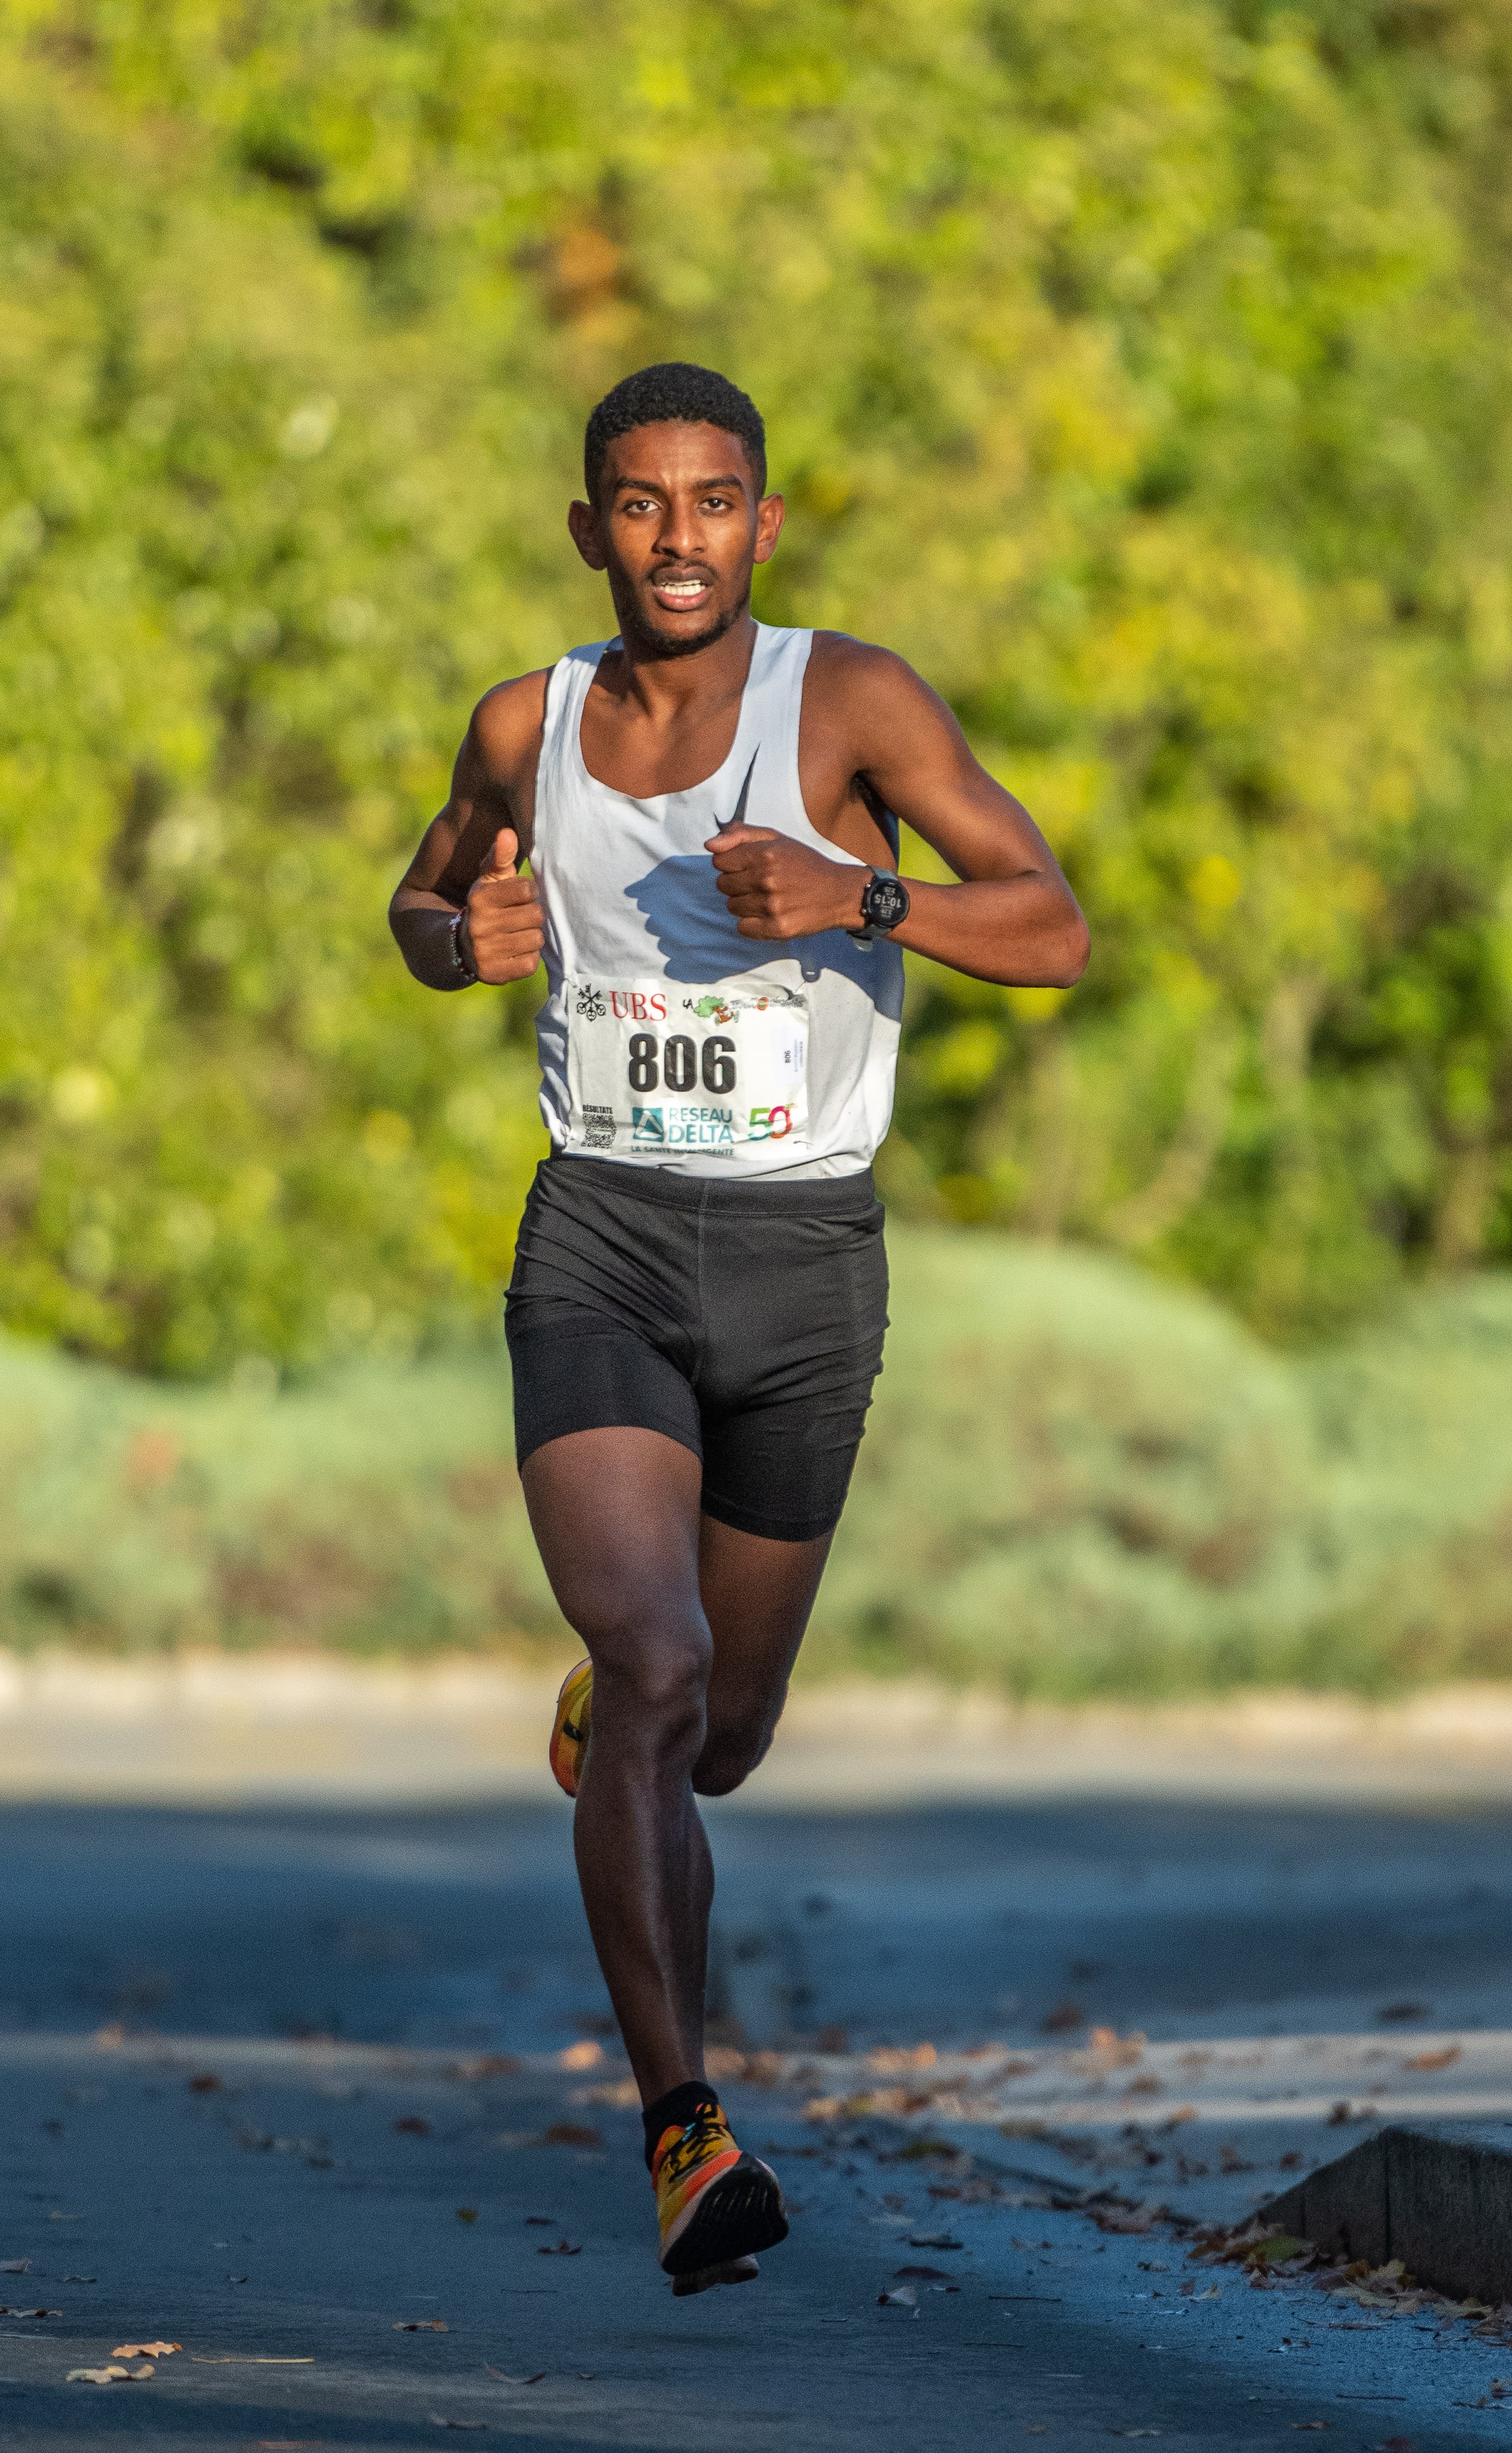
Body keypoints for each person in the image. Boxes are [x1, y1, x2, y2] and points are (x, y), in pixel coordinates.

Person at [389, 362, 1088, 2295]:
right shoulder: (523, 720)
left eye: (711, 502)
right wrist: (460, 940)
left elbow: (1049, 923)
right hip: (598, 1234)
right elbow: (422, 891)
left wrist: (860, 893)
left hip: (802, 1266)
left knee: (721, 1734)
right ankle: (684, 2122)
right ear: (586, 525)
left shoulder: (846, 701)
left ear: (759, 523)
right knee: (655, 1651)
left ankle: (633, 1716)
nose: (674, 536)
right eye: (637, 502)